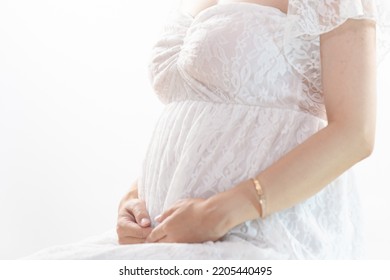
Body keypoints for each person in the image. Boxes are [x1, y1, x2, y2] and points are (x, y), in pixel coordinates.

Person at [23, 0, 390, 259]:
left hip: (267, 232)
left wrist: (222, 211)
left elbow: (355, 133)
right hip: (168, 234)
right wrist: (135, 199)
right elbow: (202, 113)